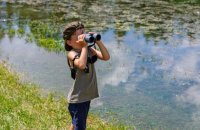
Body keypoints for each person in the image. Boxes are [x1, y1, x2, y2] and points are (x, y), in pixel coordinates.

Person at [63, 21, 110, 130]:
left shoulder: (89, 49)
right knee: (80, 126)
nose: (83, 37)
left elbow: (106, 57)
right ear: (69, 42)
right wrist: (84, 47)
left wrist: (98, 41)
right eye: (79, 35)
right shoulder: (71, 53)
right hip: (78, 99)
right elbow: (81, 64)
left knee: (76, 123)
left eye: (83, 33)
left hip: (85, 96)